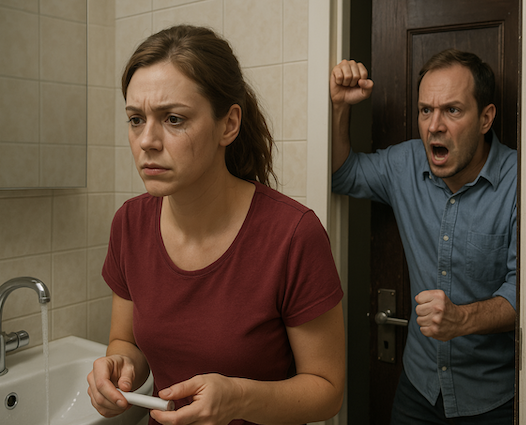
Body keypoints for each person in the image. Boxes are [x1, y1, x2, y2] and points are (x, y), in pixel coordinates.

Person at [87, 25, 345, 425]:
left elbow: (327, 391)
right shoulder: (129, 224)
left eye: (173, 118)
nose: (147, 141)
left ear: (229, 124)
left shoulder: (293, 235)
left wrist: (239, 399)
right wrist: (120, 366)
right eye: (136, 119)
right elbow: (125, 341)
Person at [330, 49, 516, 423]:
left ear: (485, 118)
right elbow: (341, 174)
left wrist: (461, 320)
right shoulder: (405, 164)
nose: (434, 126)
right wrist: (339, 107)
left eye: (452, 110)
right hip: (418, 389)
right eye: (425, 110)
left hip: (492, 400)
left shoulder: (520, 181)